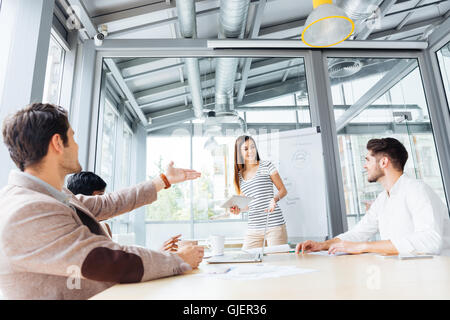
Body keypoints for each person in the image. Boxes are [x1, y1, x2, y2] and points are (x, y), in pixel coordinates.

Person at [0, 103, 204, 300]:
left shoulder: (50, 196)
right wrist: (179, 260)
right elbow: (106, 261)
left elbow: (109, 203)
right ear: (57, 143)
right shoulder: (28, 210)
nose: (77, 145)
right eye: (73, 137)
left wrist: (163, 181)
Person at [296, 137, 450, 256]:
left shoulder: (416, 189)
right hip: (404, 273)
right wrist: (322, 245)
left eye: (368, 160)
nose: (365, 166)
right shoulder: (383, 199)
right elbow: (359, 233)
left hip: (433, 275)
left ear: (383, 162)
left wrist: (364, 247)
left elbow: (430, 240)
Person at [67, 171, 180, 251]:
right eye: (100, 197)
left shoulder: (104, 226)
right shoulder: (75, 232)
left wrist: (158, 252)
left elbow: (118, 257)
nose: (104, 202)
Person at [229, 135, 288, 249]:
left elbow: (283, 190)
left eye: (252, 147)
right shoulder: (239, 176)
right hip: (254, 228)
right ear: (239, 153)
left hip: (274, 224)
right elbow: (247, 205)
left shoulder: (267, 166)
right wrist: (238, 210)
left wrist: (274, 199)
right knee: (248, 260)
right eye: (245, 149)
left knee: (278, 261)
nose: (250, 151)